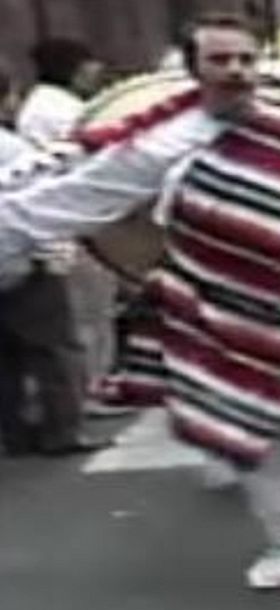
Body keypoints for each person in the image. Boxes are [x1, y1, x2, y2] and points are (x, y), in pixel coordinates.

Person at [0, 14, 280, 589]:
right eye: (220, 60)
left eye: (245, 59)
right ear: (194, 69)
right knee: (252, 429)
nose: (236, 71)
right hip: (210, 312)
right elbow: (75, 197)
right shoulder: (158, 143)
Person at [18, 37, 126, 420]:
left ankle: (89, 386)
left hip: (66, 218)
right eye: (87, 65)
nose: (94, 71)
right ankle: (91, 388)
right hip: (75, 219)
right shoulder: (63, 110)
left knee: (88, 313)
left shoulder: (42, 106)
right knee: (88, 314)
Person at [0, 59, 101, 458]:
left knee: (3, 358)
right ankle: (62, 430)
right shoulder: (12, 150)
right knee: (54, 350)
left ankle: (14, 434)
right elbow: (40, 203)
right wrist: (53, 253)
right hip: (22, 262)